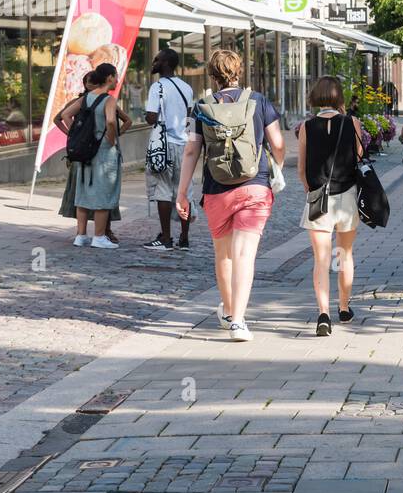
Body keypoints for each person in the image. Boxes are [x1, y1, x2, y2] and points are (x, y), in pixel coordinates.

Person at [176, 50, 285, 342]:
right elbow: (277, 142)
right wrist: (278, 168)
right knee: (244, 255)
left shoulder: (201, 106)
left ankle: (227, 312)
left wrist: (182, 191)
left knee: (223, 255)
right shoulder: (258, 101)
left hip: (217, 190)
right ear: (239, 71)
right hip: (255, 186)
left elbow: (191, 150)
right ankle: (238, 321)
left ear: (211, 73)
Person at [299, 75, 364, 337]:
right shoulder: (352, 123)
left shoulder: (306, 126)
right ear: (339, 97)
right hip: (346, 196)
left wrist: (311, 190)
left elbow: (302, 169)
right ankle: (344, 308)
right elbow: (358, 158)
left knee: (321, 259)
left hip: (318, 198)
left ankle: (323, 313)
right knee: (344, 254)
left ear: (316, 96)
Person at [57, 70, 127, 243]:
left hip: (84, 151)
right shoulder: (108, 99)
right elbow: (111, 121)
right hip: (103, 151)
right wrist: (110, 139)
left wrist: (77, 134)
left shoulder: (84, 98)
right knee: (103, 193)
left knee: (82, 193)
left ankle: (81, 236)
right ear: (109, 78)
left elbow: (64, 115)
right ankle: (99, 237)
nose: (117, 80)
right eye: (116, 77)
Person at [142, 47, 196, 250]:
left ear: (165, 63)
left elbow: (152, 117)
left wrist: (148, 116)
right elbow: (190, 116)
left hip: (164, 146)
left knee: (163, 190)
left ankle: (165, 237)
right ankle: (184, 238)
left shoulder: (158, 87)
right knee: (184, 191)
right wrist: (190, 140)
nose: (154, 61)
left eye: (157, 59)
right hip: (184, 145)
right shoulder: (186, 87)